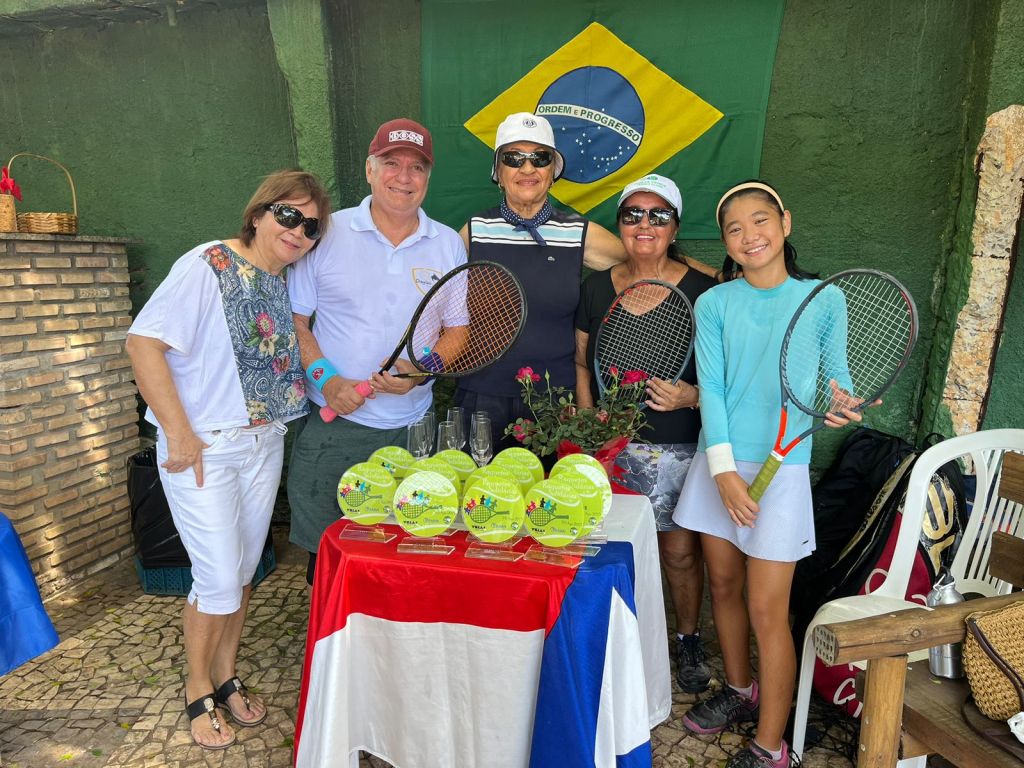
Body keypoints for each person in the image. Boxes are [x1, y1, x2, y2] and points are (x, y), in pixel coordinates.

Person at [126, 169, 331, 750]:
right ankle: (197, 686)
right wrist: (180, 434)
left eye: (311, 227)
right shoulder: (208, 264)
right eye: (288, 215)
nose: (298, 232)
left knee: (241, 574)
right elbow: (143, 344)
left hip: (263, 444)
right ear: (259, 213)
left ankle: (225, 674)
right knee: (216, 579)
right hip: (206, 449)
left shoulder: (277, 281)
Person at [671, 181, 863, 768]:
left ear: (785, 223)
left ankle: (772, 745)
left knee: (766, 611)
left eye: (760, 221)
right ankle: (739, 688)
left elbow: (837, 379)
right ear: (725, 242)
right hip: (721, 462)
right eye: (734, 228)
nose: (749, 235)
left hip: (785, 467)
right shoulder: (714, 304)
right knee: (723, 586)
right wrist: (724, 472)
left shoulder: (824, 299)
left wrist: (841, 401)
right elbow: (713, 389)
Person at [286, 118, 466, 584]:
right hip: (335, 428)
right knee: (329, 566)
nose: (404, 177)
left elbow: (457, 331)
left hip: (413, 431)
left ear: (428, 178)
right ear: (369, 170)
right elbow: (295, 321)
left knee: (405, 564)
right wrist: (328, 381)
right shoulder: (327, 231)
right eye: (391, 163)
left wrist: (422, 370)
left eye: (417, 167)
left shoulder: (447, 244)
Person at [574, 174, 717, 694]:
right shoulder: (596, 287)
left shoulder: (703, 291)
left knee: (678, 553)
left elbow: (726, 373)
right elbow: (582, 363)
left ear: (675, 227)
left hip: (681, 443)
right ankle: (621, 640)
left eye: (658, 215)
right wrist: (590, 423)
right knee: (616, 550)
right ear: (620, 225)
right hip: (612, 445)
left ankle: (687, 639)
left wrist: (692, 396)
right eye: (633, 214)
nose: (644, 224)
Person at [454, 112, 628, 453]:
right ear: (498, 172)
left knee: (552, 490)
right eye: (513, 158)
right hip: (481, 396)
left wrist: (716, 275)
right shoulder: (473, 231)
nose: (527, 168)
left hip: (554, 401)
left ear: (553, 171)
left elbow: (644, 262)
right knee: (478, 487)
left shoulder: (578, 232)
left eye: (540, 158)